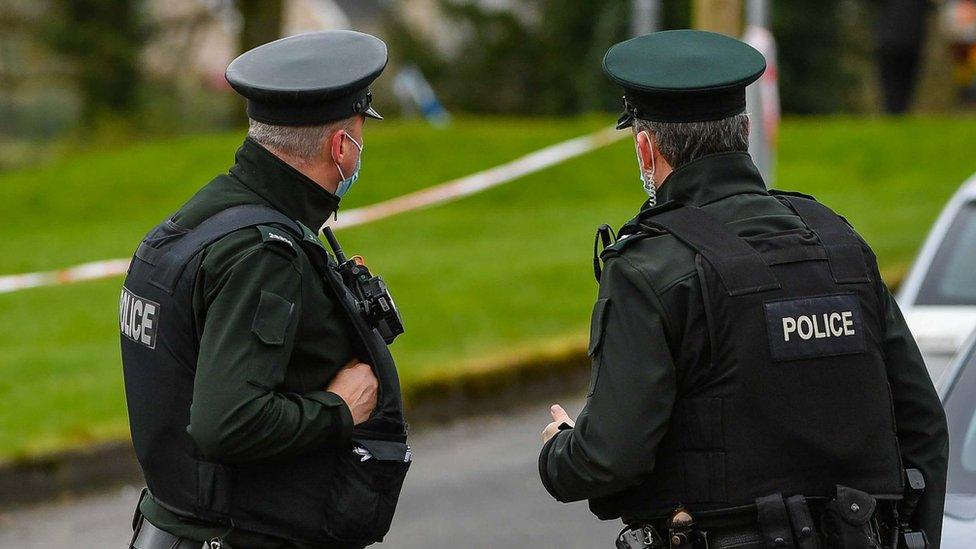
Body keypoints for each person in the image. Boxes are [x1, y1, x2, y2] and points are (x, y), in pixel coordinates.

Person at [538, 30, 948, 548]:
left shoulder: (650, 267)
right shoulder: (840, 243)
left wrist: (560, 453)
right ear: (746, 130)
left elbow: (610, 456)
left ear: (646, 149)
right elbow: (924, 425)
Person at [120, 31, 410, 549]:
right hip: (241, 534)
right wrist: (339, 410)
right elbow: (226, 421)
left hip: (177, 526)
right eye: (361, 132)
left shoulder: (204, 218)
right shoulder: (262, 253)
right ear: (341, 148)